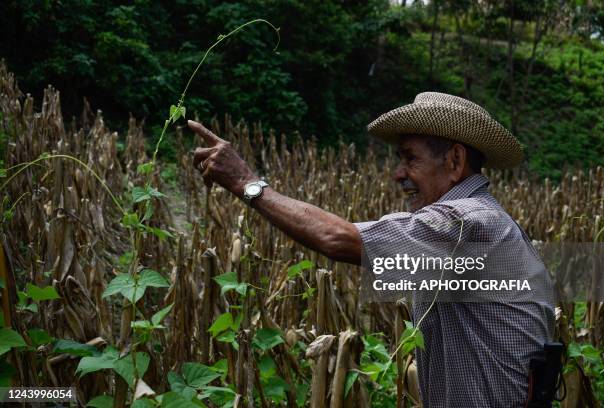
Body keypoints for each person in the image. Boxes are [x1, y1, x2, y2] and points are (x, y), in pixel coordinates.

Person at [190, 92, 555, 407]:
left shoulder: (467, 221)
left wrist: (246, 183)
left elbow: (338, 240)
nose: (398, 173)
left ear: (455, 161)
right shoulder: (490, 218)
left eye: (410, 158)